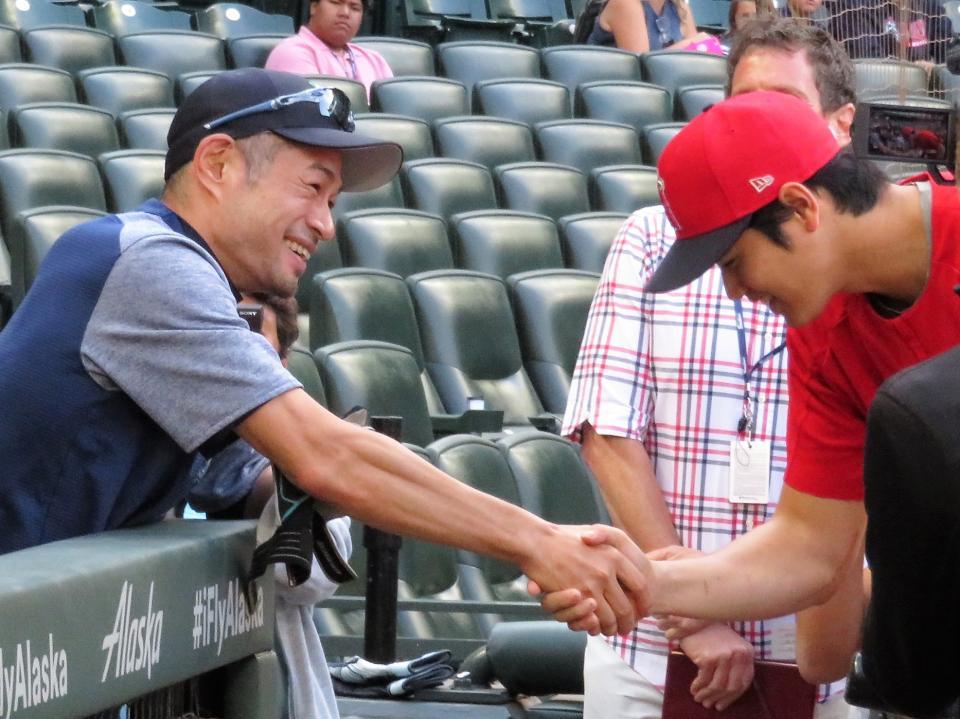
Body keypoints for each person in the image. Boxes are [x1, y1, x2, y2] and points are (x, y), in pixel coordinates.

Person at [0, 67, 650, 639]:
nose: (326, 222)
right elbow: (324, 454)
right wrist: (538, 541)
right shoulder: (151, 261)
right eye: (311, 187)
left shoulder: (180, 276)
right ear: (218, 164)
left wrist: (297, 490)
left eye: (333, 201)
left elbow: (243, 475)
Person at [549, 87, 960, 684]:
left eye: (733, 262)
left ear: (801, 208)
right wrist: (642, 578)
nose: (735, 292)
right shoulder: (821, 335)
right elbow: (809, 549)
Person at [561, 17, 853, 719]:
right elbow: (606, 433)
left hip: (814, 646)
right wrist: (696, 617)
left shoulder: (859, 258)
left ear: (839, 125)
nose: (757, 124)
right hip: (655, 651)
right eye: (741, 104)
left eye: (782, 104)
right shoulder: (654, 238)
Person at [189, 292, 351, 719]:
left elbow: (305, 576)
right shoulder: (149, 441)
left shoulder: (300, 457)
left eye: (249, 341)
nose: (232, 362)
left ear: (280, 367)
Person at [265, 0, 392, 98]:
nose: (345, 13)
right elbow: (314, 116)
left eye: (355, 7)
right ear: (314, 7)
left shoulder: (374, 60)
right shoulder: (291, 52)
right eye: (335, 2)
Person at [583, 0, 720, 53]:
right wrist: (692, 42)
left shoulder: (680, 6)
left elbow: (696, 55)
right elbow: (642, 66)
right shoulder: (626, 4)